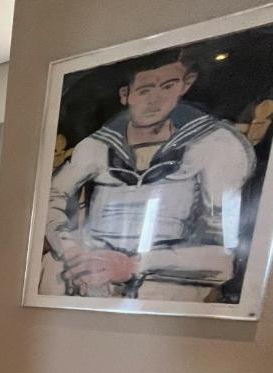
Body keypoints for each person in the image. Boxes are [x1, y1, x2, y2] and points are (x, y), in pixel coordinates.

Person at [43, 49, 255, 301]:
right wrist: (71, 251)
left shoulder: (216, 146)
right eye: (145, 90)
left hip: (165, 276)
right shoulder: (96, 147)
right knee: (52, 271)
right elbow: (50, 200)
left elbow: (223, 252)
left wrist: (135, 265)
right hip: (91, 267)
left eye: (167, 87)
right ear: (126, 95)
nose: (155, 100)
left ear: (184, 85)